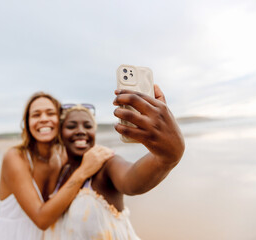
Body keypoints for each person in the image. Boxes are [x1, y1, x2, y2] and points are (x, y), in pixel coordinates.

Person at [44, 85, 185, 239]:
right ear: (60, 134)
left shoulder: (106, 164)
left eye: (88, 126)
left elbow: (131, 181)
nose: (81, 130)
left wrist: (167, 158)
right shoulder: (59, 172)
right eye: (71, 126)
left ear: (94, 131)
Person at [0, 92, 114, 240]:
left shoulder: (62, 156)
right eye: (36, 115)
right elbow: (41, 220)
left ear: (60, 121)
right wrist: (83, 171)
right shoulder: (16, 157)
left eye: (50, 113)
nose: (43, 119)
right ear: (27, 123)